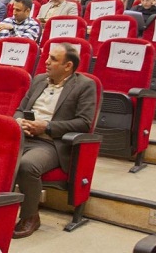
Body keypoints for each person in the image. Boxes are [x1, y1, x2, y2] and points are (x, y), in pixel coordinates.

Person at [13, 43, 97, 238]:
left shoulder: (85, 85)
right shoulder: (39, 80)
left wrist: (47, 126)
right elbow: (20, 108)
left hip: (51, 143)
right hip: (23, 135)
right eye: (47, 57)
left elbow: (84, 123)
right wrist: (18, 121)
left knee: (27, 165)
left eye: (53, 59)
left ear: (68, 66)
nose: (46, 62)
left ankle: (30, 216)